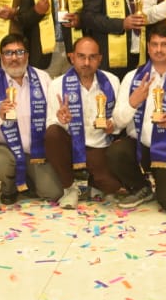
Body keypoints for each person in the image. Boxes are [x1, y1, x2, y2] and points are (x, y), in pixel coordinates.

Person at [111, 23, 166, 212]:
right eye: (154, 44)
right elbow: (117, 122)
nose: (159, 50)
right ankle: (141, 188)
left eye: (164, 44)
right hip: (139, 147)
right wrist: (133, 103)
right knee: (115, 153)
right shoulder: (131, 78)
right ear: (148, 47)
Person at [0, 33, 61, 205]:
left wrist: (61, 118)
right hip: (6, 152)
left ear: (27, 55)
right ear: (1, 57)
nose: (14, 58)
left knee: (54, 193)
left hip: (37, 153)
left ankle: (27, 181)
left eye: (20, 52)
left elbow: (54, 114)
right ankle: (9, 186)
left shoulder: (43, 79)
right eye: (8, 53)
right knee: (0, 161)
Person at [43, 36, 136, 208]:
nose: (86, 62)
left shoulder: (112, 81)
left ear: (100, 59)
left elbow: (119, 118)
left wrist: (112, 125)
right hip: (70, 144)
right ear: (72, 57)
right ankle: (69, 188)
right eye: (81, 56)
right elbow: (50, 123)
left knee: (113, 186)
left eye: (92, 57)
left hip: (100, 144)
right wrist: (62, 120)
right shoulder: (57, 85)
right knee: (53, 134)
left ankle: (95, 182)